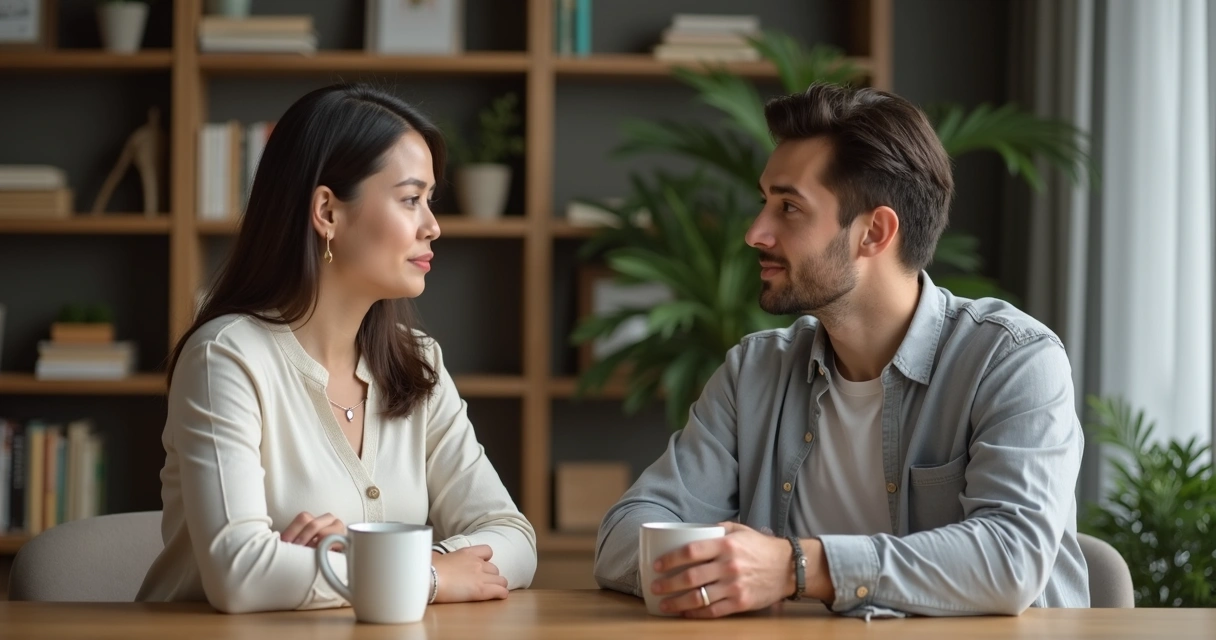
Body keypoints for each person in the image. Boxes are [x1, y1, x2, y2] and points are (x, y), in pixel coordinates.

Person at [593, 83, 1089, 619]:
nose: (755, 232)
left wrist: (793, 569)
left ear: (874, 232)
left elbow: (1012, 560)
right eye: (765, 203)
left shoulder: (1012, 360)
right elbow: (625, 535)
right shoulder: (755, 372)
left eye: (788, 207)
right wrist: (718, 567)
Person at [137, 83, 536, 613]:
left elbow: (513, 538)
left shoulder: (418, 363)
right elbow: (240, 573)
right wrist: (424, 573)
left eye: (430, 202)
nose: (433, 226)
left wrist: (349, 563)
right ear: (327, 210)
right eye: (411, 200)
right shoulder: (226, 358)